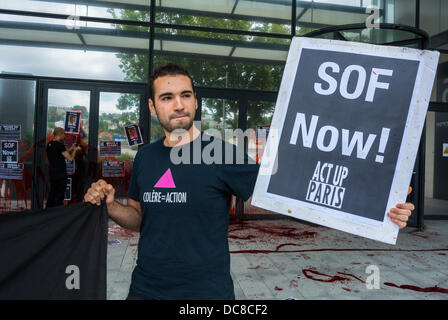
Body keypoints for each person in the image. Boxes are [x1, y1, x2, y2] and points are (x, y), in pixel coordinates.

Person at [83, 63, 415, 300]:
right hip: (146, 289)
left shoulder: (222, 155)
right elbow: (139, 219)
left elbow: (296, 191)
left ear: (196, 101)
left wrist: (379, 202)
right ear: (154, 106)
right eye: (167, 97)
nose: (179, 104)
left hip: (206, 294)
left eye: (186, 95)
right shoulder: (146, 157)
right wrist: (111, 205)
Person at [46, 127, 81, 208]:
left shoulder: (49, 144)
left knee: (52, 192)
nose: (65, 136)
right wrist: (75, 150)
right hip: (61, 173)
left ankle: (47, 211)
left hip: (52, 172)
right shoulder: (60, 145)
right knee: (60, 194)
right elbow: (70, 158)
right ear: (60, 134)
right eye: (64, 134)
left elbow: (60, 153)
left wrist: (71, 148)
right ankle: (57, 212)